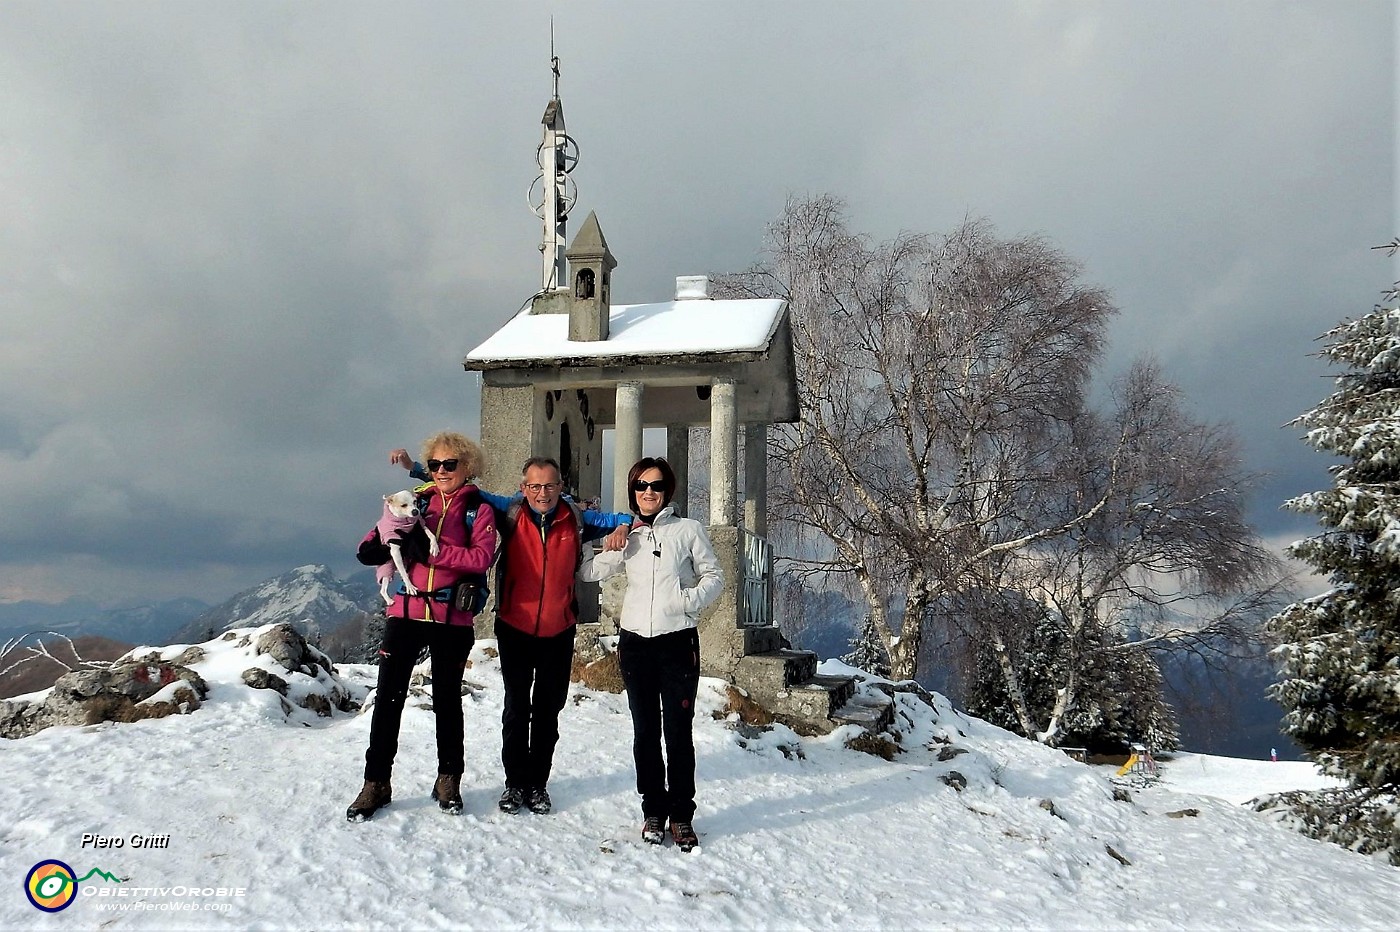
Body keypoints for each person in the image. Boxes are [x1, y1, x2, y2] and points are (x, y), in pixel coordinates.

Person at [391, 449, 630, 815]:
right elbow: (465, 486)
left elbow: (623, 516)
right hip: (515, 627)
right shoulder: (511, 511)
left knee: (548, 711)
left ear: (560, 487)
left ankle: (538, 784)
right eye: (534, 486)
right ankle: (515, 784)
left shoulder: (577, 517)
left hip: (559, 629)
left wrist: (625, 526)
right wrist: (415, 469)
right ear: (524, 488)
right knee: (517, 709)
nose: (542, 493)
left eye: (549, 486)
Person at [346, 431, 497, 822]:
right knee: (388, 698)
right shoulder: (418, 502)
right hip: (406, 613)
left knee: (448, 701)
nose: (442, 471)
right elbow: (377, 536)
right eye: (435, 464)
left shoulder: (477, 510)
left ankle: (449, 778)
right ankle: (375, 782)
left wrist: (430, 553)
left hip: (452, 617)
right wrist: (378, 546)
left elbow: (481, 558)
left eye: (451, 464)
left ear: (468, 467)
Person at [580, 456, 723, 851]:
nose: (648, 492)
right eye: (641, 486)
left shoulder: (687, 530)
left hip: (677, 641)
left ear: (667, 491)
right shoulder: (629, 535)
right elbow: (587, 572)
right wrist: (599, 536)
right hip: (635, 643)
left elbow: (715, 576)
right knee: (645, 732)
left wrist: (687, 601)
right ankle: (653, 811)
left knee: (677, 733)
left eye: (656, 486)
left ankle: (681, 815)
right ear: (632, 491)